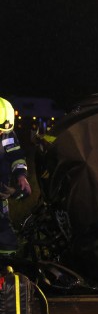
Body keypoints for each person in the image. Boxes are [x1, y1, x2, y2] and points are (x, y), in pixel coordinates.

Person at [0, 98, 31, 256]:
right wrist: (8, 191)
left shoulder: (6, 133)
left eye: (3, 131)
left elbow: (16, 155)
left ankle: (7, 270)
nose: (1, 134)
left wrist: (21, 176)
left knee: (7, 242)